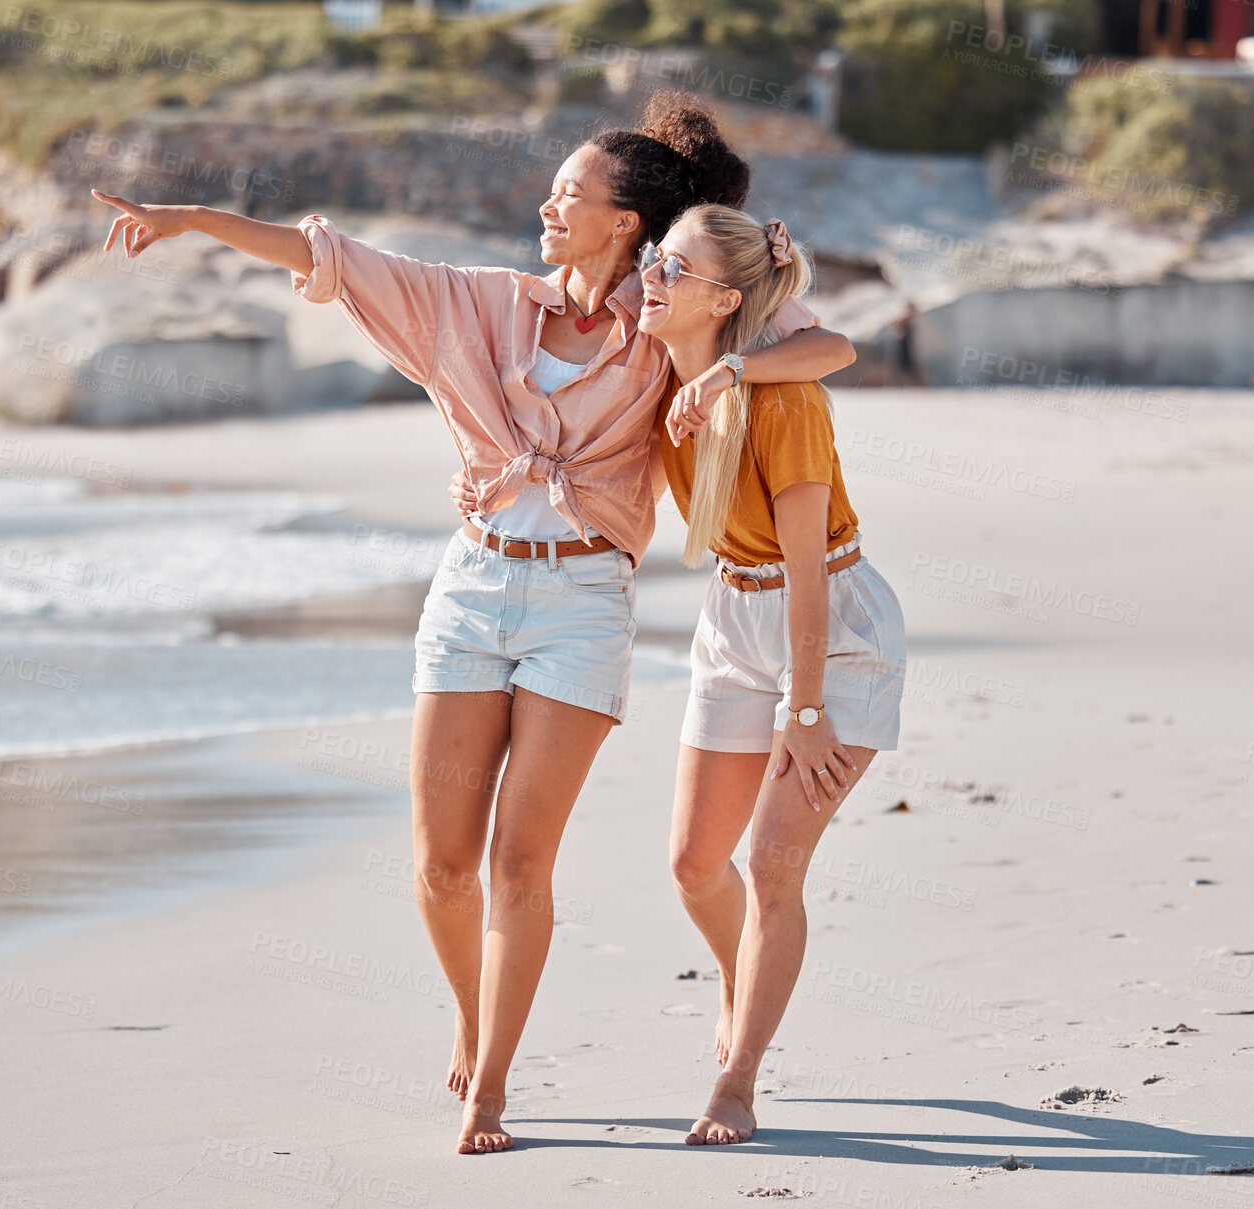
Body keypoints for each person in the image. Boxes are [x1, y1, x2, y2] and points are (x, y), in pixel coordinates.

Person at [90, 92, 858, 1154]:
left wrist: (730, 360)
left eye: (569, 194)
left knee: (516, 864)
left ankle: (489, 1087)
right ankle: (472, 1011)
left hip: (583, 604)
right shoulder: (479, 305)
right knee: (440, 866)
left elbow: (823, 344)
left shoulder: (668, 323)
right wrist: (190, 216)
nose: (548, 206)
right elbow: (334, 255)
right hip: (471, 589)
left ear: (624, 223)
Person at [643, 205, 908, 1145]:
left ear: (722, 299)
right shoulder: (657, 376)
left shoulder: (779, 395)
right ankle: (743, 974)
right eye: (650, 257)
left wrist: (804, 709)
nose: (649, 277)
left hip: (831, 631)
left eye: (669, 267)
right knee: (690, 862)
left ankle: (737, 1078)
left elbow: (805, 572)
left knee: (769, 864)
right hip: (732, 617)